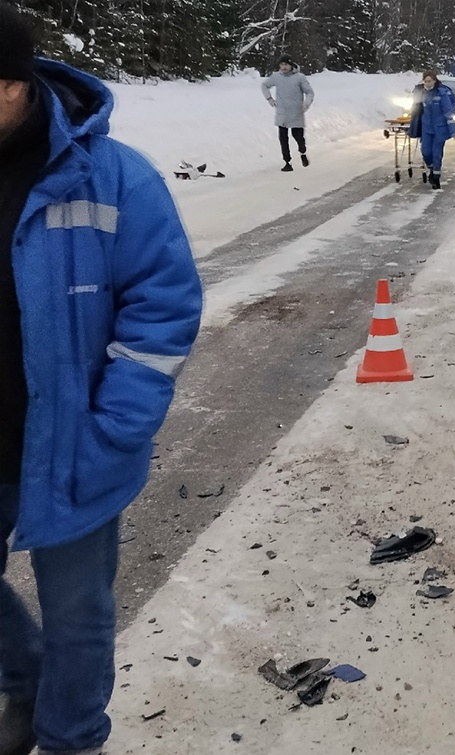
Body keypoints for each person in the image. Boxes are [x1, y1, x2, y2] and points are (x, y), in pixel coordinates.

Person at [0, 5, 203, 754]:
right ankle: (24, 678)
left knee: (79, 612)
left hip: (73, 441)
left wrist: (117, 424)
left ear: (22, 82)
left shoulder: (113, 176)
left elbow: (164, 304)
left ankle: (71, 735)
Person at [260, 54, 315, 172]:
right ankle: (287, 162)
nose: (284, 67)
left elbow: (309, 92)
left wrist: (307, 102)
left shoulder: (300, 77)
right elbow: (264, 85)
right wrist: (269, 99)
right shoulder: (276, 77)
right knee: (283, 139)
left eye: (286, 64)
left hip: (296, 112)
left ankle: (302, 152)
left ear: (291, 65)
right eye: (282, 65)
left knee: (298, 137)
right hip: (282, 112)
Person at [408, 70, 455, 190]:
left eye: (429, 81)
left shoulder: (441, 93)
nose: (427, 83)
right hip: (426, 128)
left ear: (434, 81)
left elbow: (448, 111)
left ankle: (436, 178)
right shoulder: (422, 93)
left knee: (436, 154)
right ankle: (431, 169)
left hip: (439, 129)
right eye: (425, 81)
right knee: (426, 152)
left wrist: (452, 129)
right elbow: (416, 110)